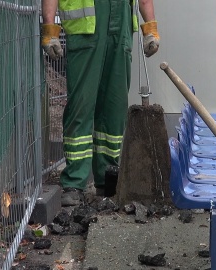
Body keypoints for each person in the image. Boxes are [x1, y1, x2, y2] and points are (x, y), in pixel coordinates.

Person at [41, 0, 160, 206]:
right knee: (82, 106)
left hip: (120, 27)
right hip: (86, 30)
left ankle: (108, 180)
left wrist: (150, 27)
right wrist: (50, 29)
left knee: (114, 109)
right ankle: (75, 183)